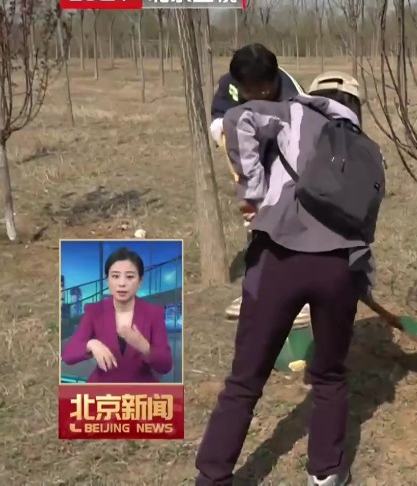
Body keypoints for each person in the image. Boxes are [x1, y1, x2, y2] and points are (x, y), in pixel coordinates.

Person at [195, 93, 375, 486]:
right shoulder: (367, 150)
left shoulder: (295, 114)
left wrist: (253, 192)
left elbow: (238, 119)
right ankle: (325, 473)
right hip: (340, 269)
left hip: (277, 259)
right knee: (328, 375)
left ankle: (212, 477)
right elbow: (366, 228)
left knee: (245, 379)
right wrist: (359, 283)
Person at [207, 43, 308, 324]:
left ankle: (300, 296)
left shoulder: (293, 99)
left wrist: (270, 197)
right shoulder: (231, 84)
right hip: (246, 153)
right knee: (256, 228)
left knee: (285, 223)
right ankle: (256, 291)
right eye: (249, 92)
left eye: (262, 91)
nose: (255, 98)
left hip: (283, 157)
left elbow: (295, 151)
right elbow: (220, 121)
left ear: (273, 80)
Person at [61, 248, 173, 383]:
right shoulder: (94, 311)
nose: (122, 283)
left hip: (141, 393)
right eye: (115, 276)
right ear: (107, 280)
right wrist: (92, 344)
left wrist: (144, 347)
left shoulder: (154, 313)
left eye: (130, 277)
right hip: (102, 391)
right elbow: (68, 355)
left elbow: (166, 366)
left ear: (140, 282)